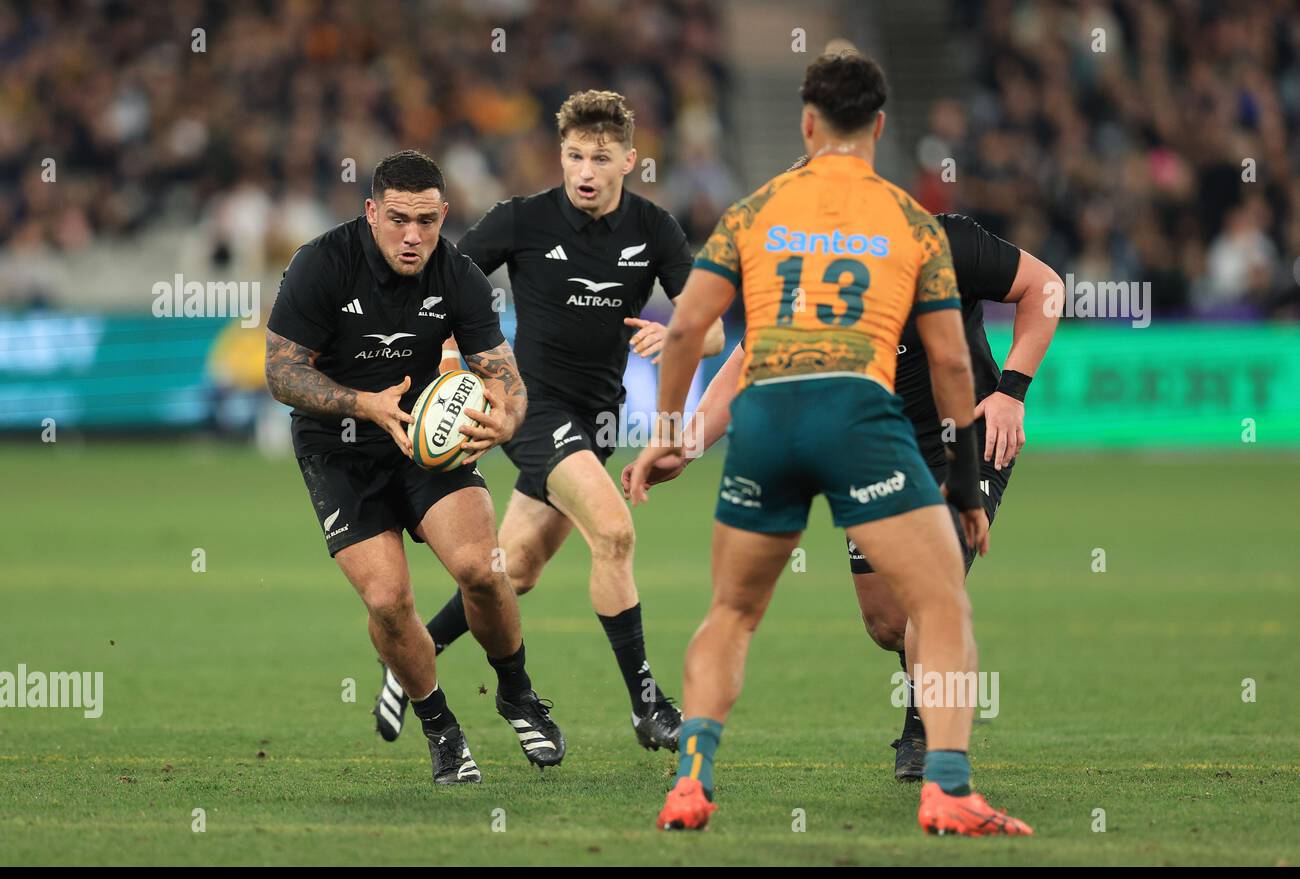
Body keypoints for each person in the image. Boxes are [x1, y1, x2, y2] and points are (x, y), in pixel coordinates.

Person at [627, 53, 1032, 835]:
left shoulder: (754, 210)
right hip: (859, 418)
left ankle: (690, 783)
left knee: (732, 613)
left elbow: (685, 330)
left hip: (769, 418)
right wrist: (965, 483)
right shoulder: (912, 223)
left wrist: (672, 433)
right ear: (879, 127)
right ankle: (946, 788)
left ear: (807, 124)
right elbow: (950, 361)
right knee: (941, 602)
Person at [374, 92, 724, 753]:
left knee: (514, 571)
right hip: (530, 410)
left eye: (598, 157)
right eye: (572, 156)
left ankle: (409, 657)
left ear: (629, 159)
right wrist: (450, 356)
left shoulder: (656, 229)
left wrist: (679, 333)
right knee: (614, 534)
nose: (584, 170)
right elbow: (442, 284)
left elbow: (708, 331)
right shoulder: (524, 220)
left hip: (599, 419)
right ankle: (649, 707)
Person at [265, 149, 565, 785]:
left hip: (427, 444)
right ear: (371, 212)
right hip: (339, 446)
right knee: (389, 601)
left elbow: (503, 373)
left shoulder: (457, 276)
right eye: (398, 219)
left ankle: (516, 693)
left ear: (443, 215)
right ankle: (442, 729)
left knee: (481, 570)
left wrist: (507, 419)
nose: (413, 236)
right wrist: (361, 404)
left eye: (426, 221)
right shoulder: (322, 263)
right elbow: (281, 370)